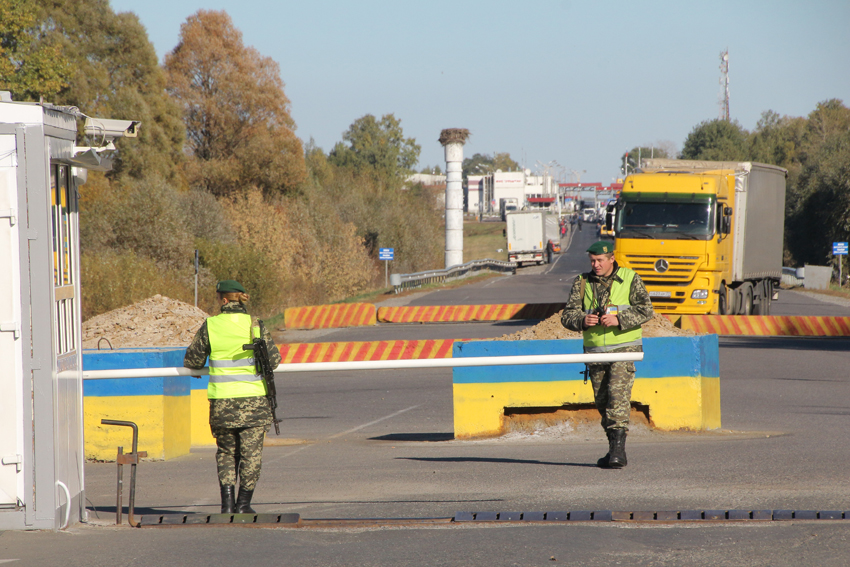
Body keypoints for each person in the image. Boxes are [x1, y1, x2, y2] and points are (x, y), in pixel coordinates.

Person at [184, 280, 281, 513]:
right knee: (251, 455)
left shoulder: (211, 325)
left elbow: (193, 360)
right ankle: (244, 505)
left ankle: (226, 505)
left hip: (222, 404)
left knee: (227, 453)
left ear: (224, 300)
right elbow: (274, 360)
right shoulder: (255, 325)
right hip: (255, 403)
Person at [560, 241, 654, 468]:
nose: (596, 265)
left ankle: (619, 453)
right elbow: (567, 316)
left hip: (624, 349)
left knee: (617, 398)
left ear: (611, 259)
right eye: (592, 261)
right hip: (594, 353)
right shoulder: (582, 282)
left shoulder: (630, 278)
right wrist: (582, 320)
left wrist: (619, 320)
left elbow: (646, 309)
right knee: (602, 402)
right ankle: (613, 449)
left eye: (600, 260)